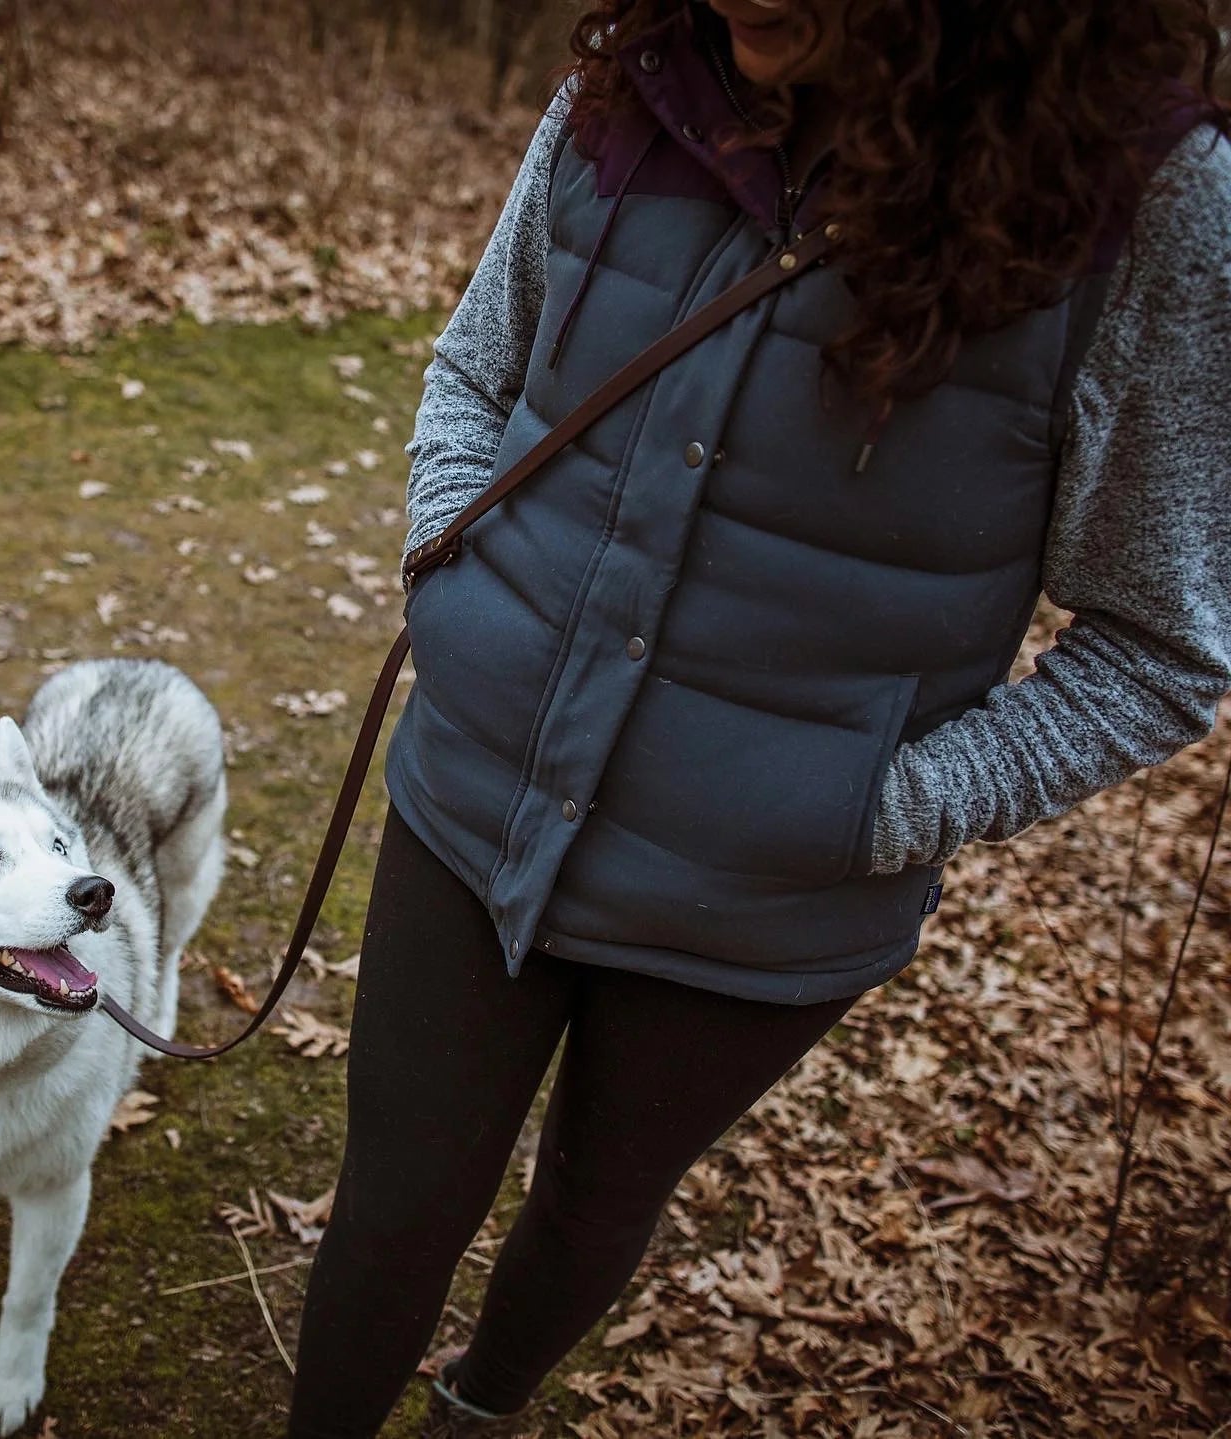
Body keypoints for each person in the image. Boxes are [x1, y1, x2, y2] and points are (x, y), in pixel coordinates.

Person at [286, 1, 1231, 1433]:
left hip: (762, 905)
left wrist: (872, 807)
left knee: (596, 1204)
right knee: (398, 1204)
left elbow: (1161, 650)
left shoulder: (1145, 202)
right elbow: (478, 369)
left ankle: (478, 1414)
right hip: (479, 785)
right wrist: (450, 584)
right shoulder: (633, 79)